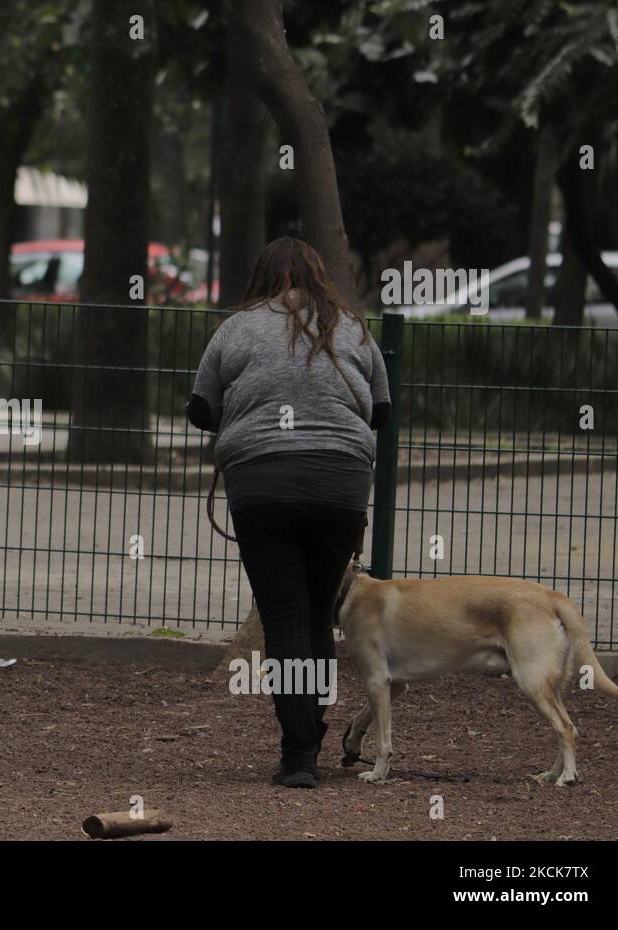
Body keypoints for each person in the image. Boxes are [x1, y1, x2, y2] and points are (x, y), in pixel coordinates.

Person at [187, 237, 391, 788]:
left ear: (262, 276)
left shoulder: (236, 327)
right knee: (319, 611)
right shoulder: (353, 326)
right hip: (340, 485)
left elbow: (200, 410)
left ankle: (299, 755)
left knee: (284, 619)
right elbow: (382, 412)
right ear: (319, 275)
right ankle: (312, 736)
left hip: (262, 485)